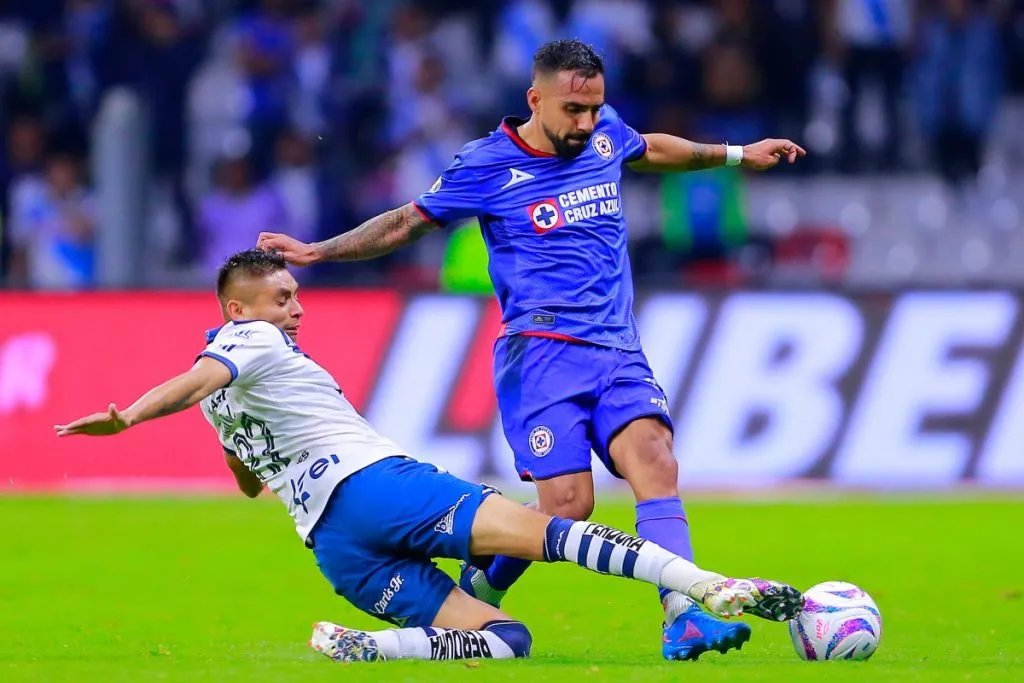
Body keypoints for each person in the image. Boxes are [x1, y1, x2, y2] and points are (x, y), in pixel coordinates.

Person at [256, 39, 808, 661]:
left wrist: (736, 153)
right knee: (568, 506)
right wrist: (320, 251)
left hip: (616, 345)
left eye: (595, 108)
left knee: (655, 459)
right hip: (541, 354)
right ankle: (481, 584)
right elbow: (407, 221)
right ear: (534, 98)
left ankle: (682, 616)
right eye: (573, 110)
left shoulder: (604, 135)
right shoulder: (487, 164)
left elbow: (649, 147)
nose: (586, 123)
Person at [54, 249, 804, 663]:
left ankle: (370, 648)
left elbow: (247, 479)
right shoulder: (248, 343)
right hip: (376, 487)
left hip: (337, 551)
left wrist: (242, 442)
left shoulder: (235, 394)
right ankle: (704, 586)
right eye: (282, 297)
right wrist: (129, 417)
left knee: (505, 641)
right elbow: (193, 380)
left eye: (294, 297)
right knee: (557, 530)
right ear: (238, 308)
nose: (296, 308)